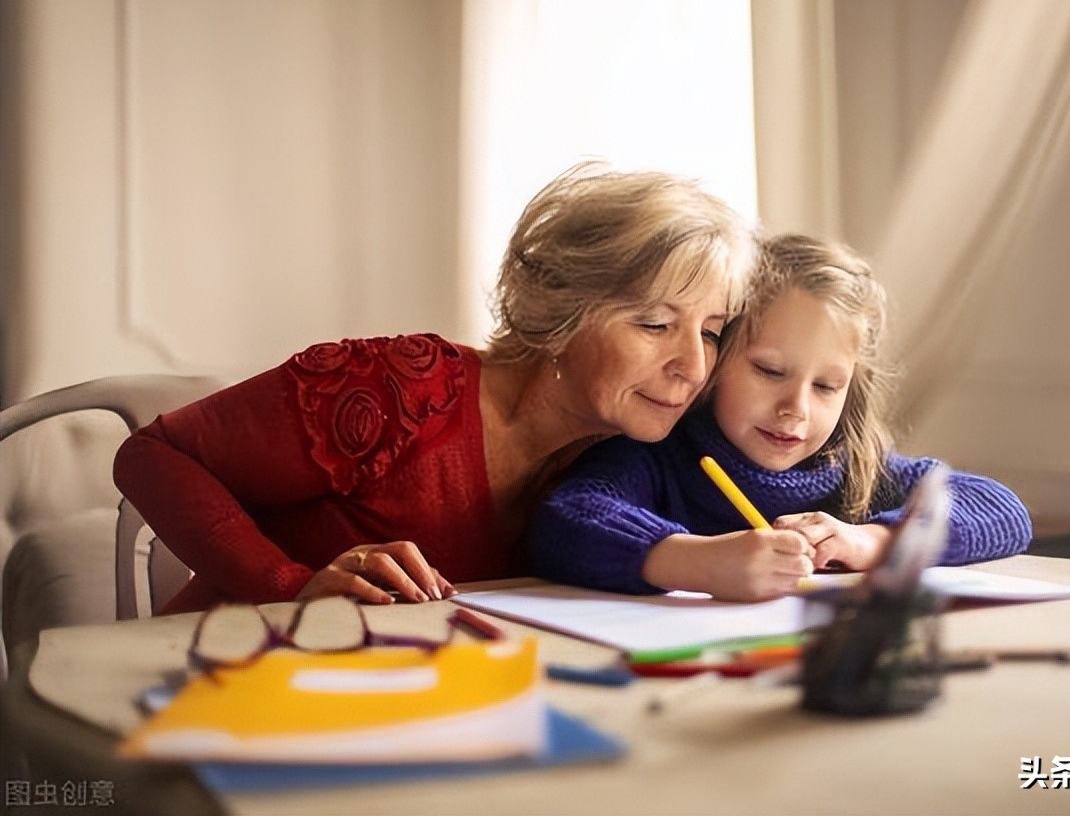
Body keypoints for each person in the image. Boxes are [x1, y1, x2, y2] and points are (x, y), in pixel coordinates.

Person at [113, 163, 758, 613]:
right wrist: (292, 583)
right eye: (654, 324)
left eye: (710, 331)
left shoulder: (621, 459)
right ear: (562, 312)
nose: (693, 367)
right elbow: (153, 456)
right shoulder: (402, 388)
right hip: (226, 682)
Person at [529, 233, 1032, 602]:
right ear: (717, 357)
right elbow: (564, 519)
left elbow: (1001, 508)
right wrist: (698, 562)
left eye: (826, 386)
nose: (796, 408)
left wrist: (872, 540)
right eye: (770, 371)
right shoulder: (658, 455)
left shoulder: (852, 467)